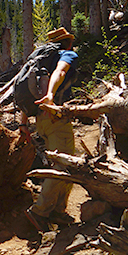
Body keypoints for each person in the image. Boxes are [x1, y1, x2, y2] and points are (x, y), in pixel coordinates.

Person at [20, 27, 79, 232]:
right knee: (64, 165)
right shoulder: (66, 54)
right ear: (68, 42)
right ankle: (40, 211)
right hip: (54, 117)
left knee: (63, 163)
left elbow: (26, 94)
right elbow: (60, 72)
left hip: (40, 119)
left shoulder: (38, 61)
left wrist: (23, 124)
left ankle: (58, 211)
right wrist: (51, 96)